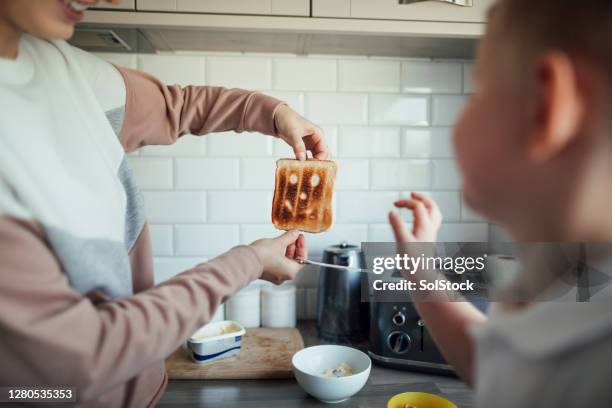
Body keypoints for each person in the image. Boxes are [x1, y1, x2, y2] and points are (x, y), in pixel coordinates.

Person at [0, 0, 328, 406]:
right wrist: (250, 262)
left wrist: (275, 113)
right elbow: (84, 360)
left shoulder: (62, 67)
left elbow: (178, 105)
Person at [388, 0, 612, 406]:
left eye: (478, 92)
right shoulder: (570, 298)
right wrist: (420, 268)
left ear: (546, 107)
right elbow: (496, 361)